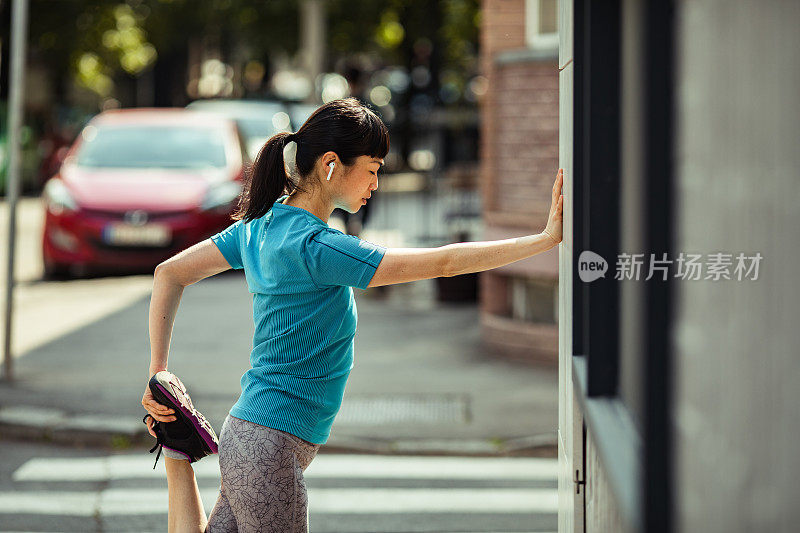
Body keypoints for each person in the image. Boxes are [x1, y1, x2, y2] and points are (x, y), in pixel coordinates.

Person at [141, 97, 563, 532]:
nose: (376, 184)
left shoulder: (259, 228)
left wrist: (159, 373)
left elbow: (168, 274)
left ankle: (178, 455)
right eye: (373, 168)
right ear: (330, 164)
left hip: (247, 433)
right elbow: (443, 263)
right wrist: (543, 240)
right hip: (269, 446)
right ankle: (177, 453)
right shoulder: (317, 248)